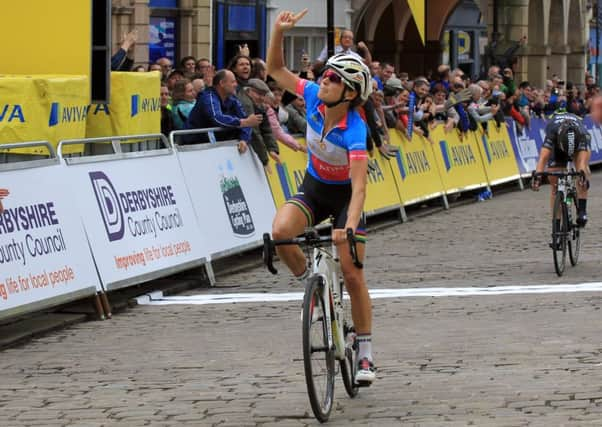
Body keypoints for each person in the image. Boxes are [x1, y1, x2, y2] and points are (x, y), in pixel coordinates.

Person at [267, 9, 376, 384]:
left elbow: (360, 187)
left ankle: (364, 353)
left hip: (346, 197)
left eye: (332, 78)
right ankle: (311, 290)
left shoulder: (355, 130)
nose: (322, 80)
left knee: (352, 270)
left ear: (349, 92)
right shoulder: (313, 96)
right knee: (281, 232)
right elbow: (277, 71)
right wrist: (278, 31)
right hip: (314, 188)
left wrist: (347, 227)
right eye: (325, 75)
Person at [532, 111, 591, 238]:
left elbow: (580, 164)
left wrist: (582, 176)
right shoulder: (552, 132)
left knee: (582, 173)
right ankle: (556, 227)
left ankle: (582, 210)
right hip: (558, 146)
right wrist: (537, 176)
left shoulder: (582, 135)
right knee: (554, 183)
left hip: (578, 142)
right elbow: (542, 159)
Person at [183, 69, 261, 148]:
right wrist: (242, 122)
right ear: (222, 83)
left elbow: (246, 120)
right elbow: (217, 118)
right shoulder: (208, 97)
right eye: (233, 82)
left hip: (216, 145)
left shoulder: (232, 98)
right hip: (194, 145)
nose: (236, 85)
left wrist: (244, 139)